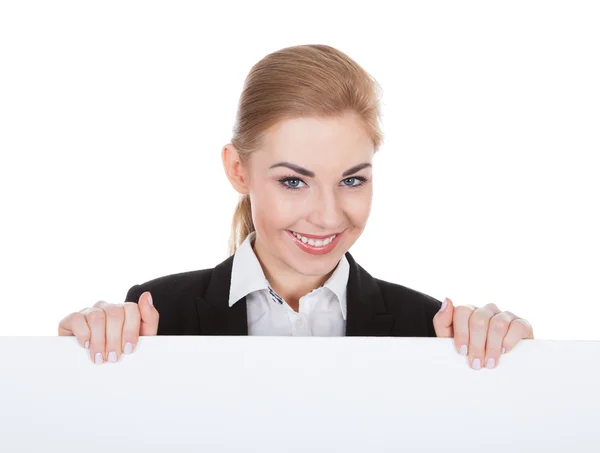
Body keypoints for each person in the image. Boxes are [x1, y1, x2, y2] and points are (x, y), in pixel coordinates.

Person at [58, 44, 534, 369]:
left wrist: (520, 370)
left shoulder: (430, 330)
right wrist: (75, 363)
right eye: (293, 181)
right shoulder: (157, 317)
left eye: (352, 179)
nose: (328, 215)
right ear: (238, 170)